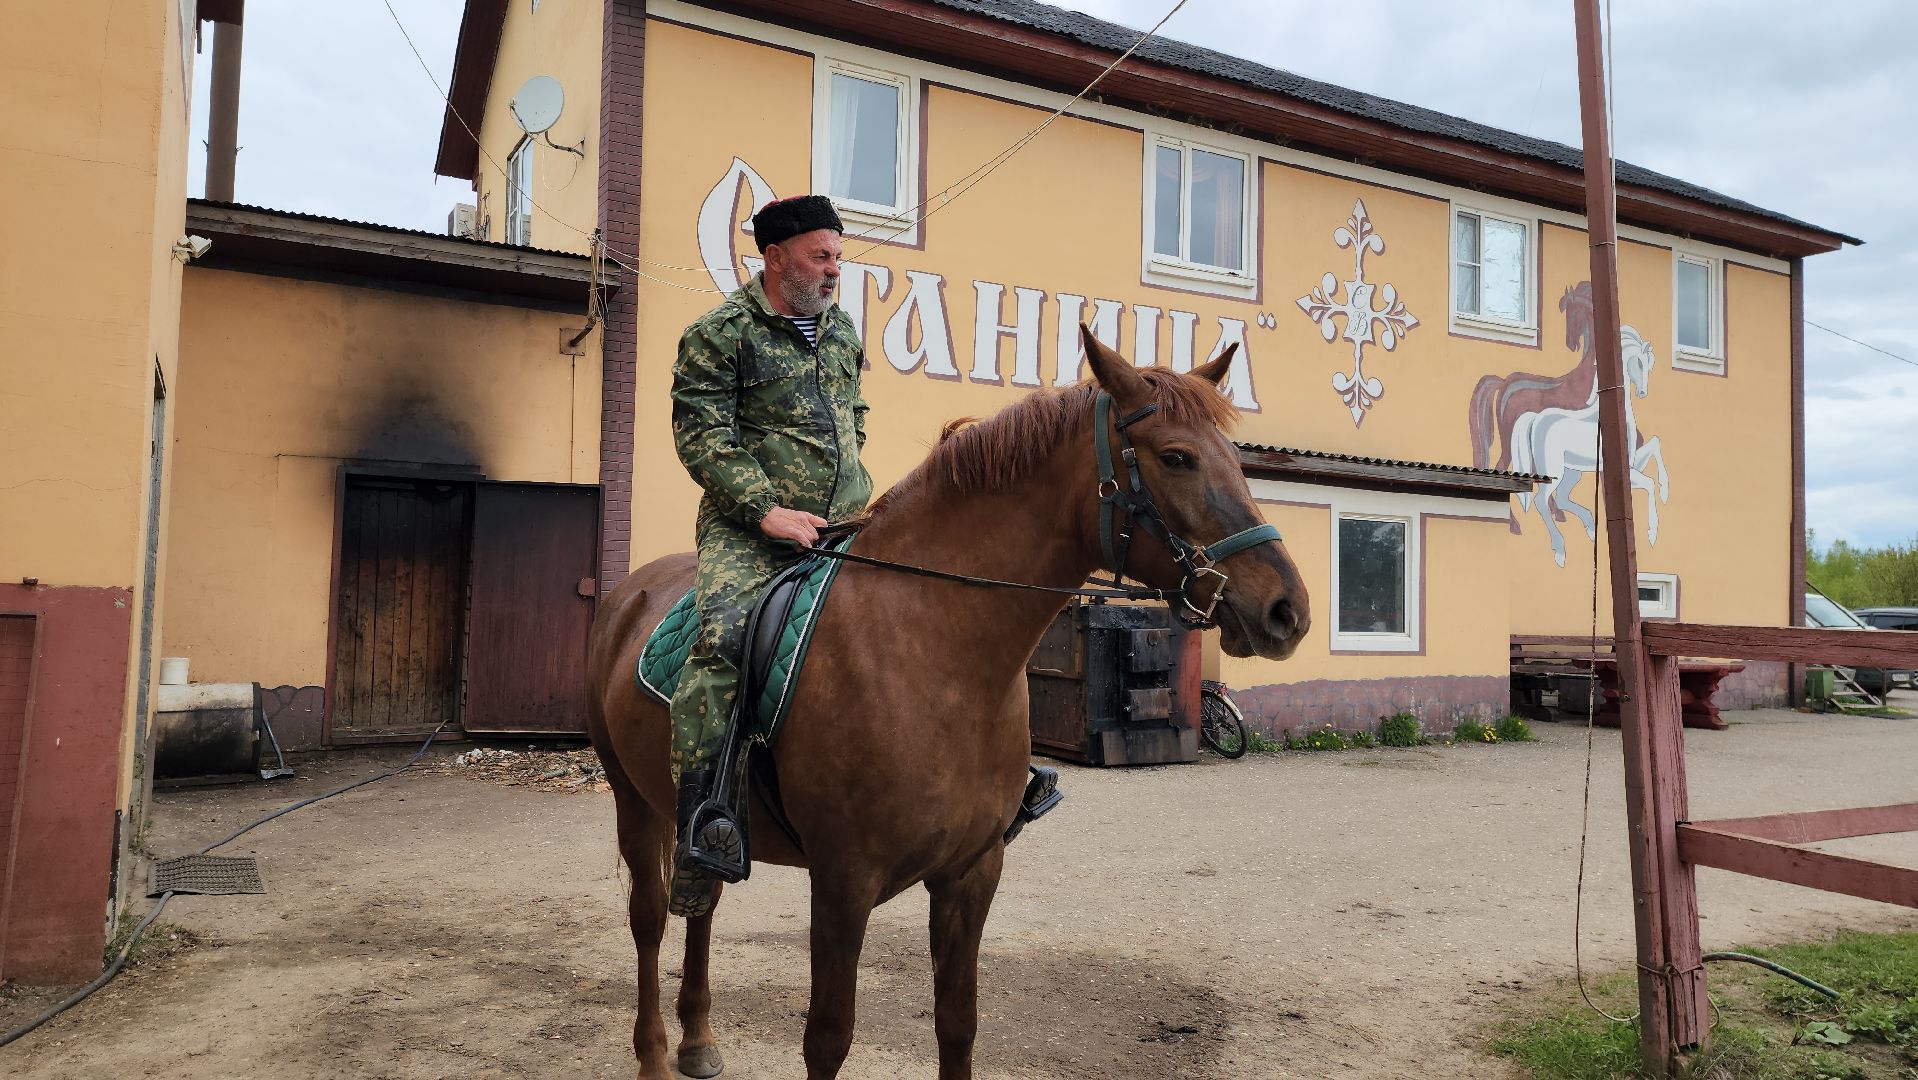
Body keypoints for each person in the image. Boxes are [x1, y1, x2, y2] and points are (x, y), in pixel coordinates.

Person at [666, 194, 872, 916]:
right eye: (822, 255)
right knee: (720, 640)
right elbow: (703, 439)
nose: (834, 269)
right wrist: (768, 511)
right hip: (747, 530)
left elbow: (855, 413)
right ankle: (702, 829)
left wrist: (851, 489)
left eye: (838, 256)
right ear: (775, 257)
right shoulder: (719, 334)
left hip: (847, 522)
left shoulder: (842, 329)